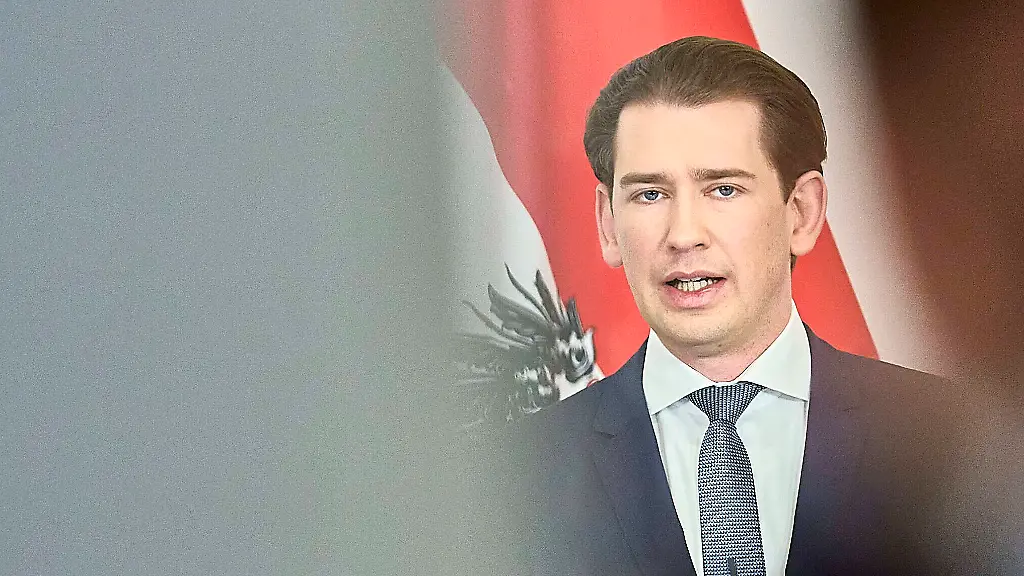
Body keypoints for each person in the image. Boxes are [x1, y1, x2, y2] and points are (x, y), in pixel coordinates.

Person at [456, 36, 1023, 576]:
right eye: (650, 194)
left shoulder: (964, 448)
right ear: (608, 223)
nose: (683, 234)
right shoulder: (506, 482)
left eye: (723, 189)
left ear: (802, 212)